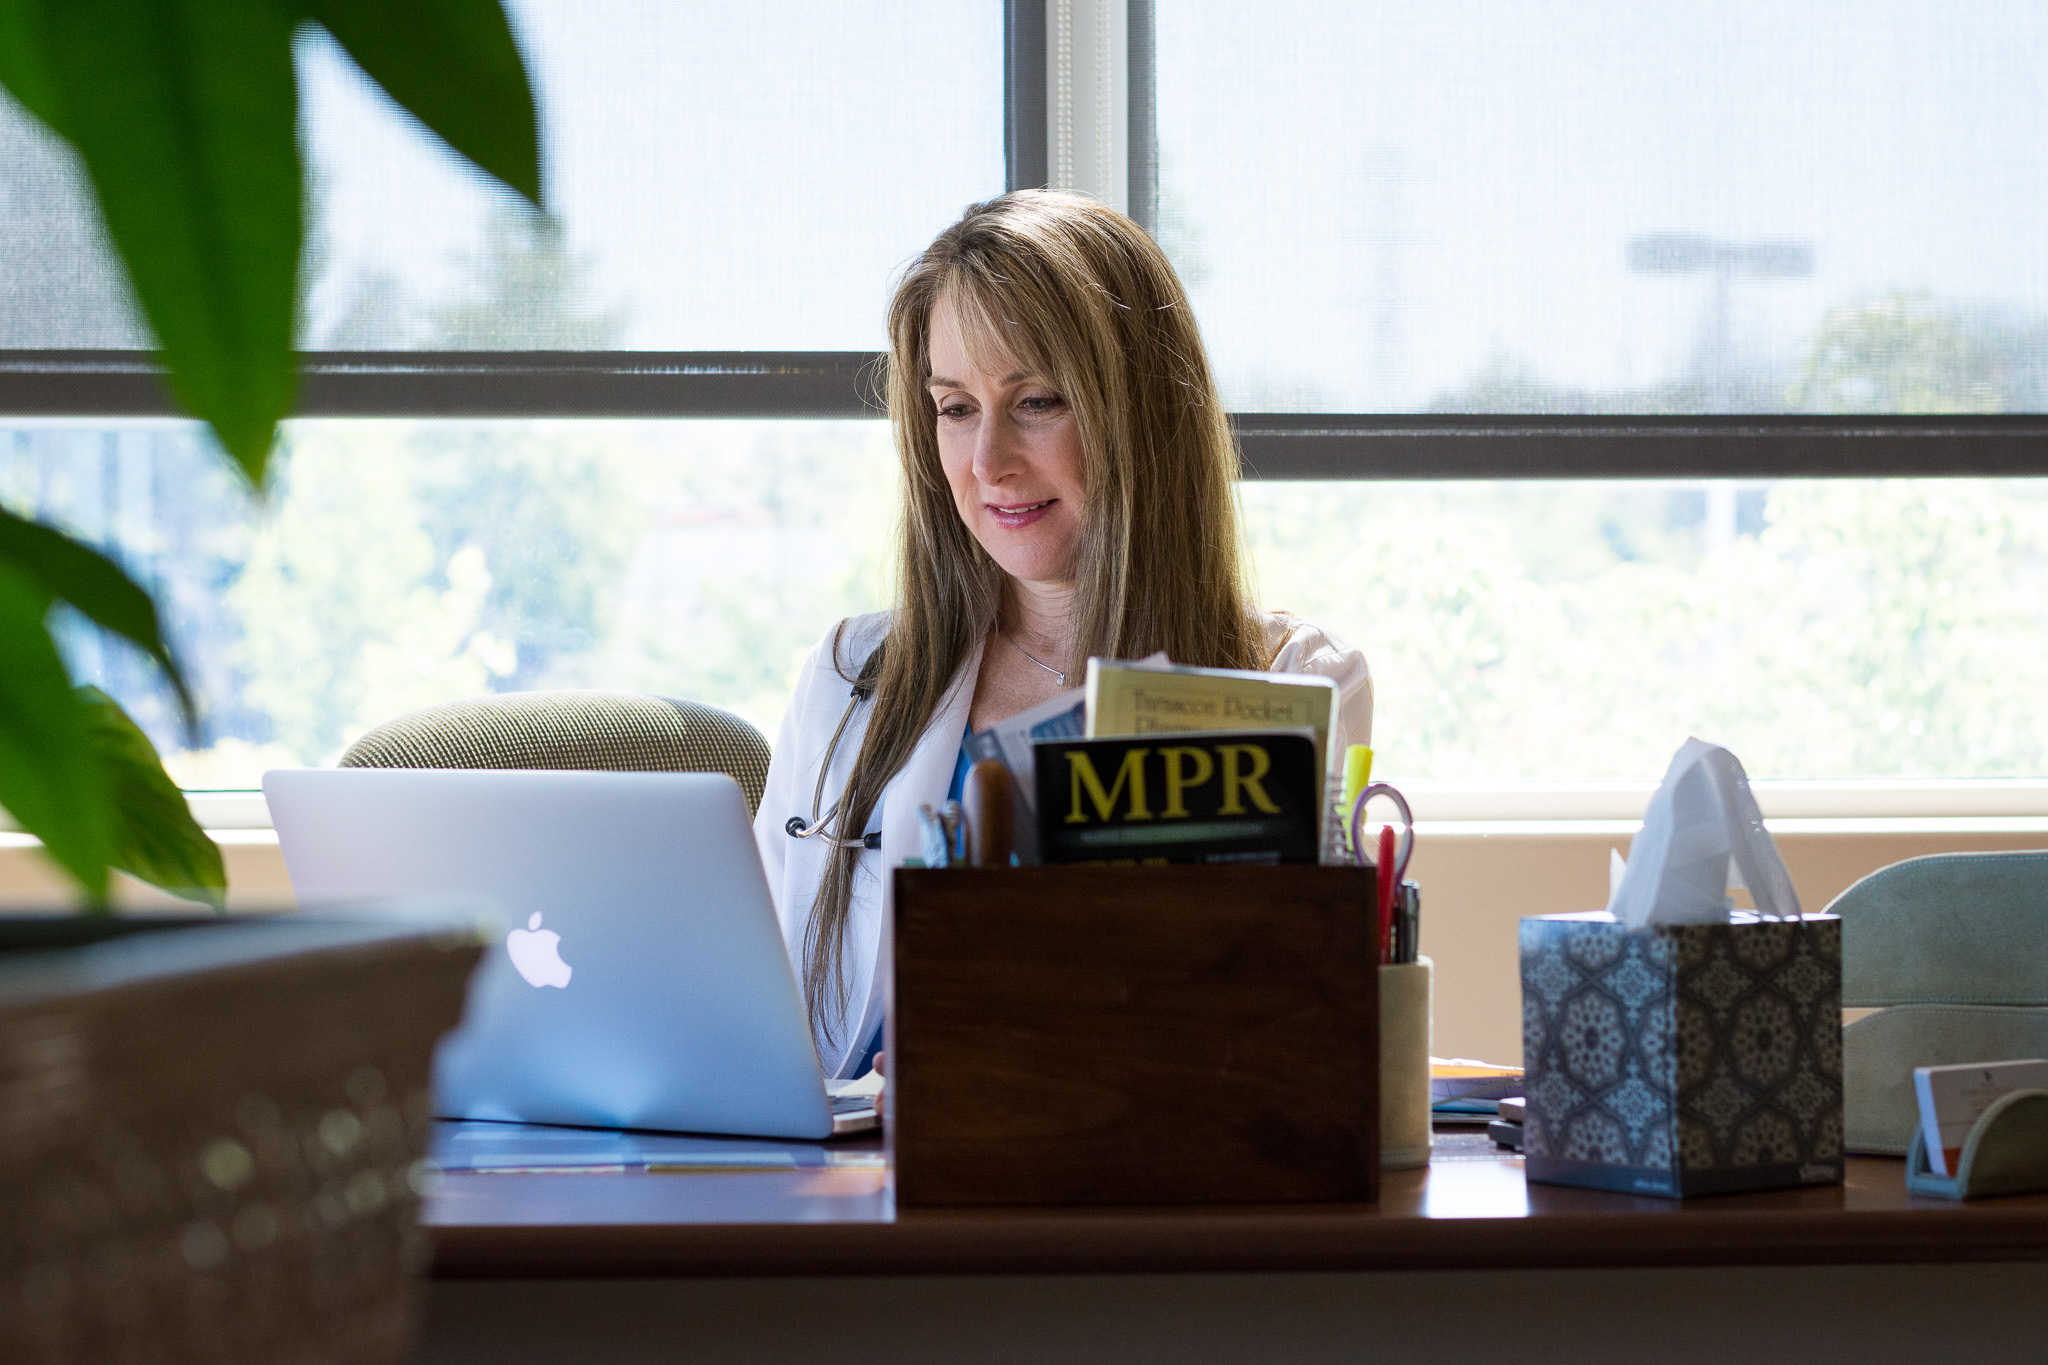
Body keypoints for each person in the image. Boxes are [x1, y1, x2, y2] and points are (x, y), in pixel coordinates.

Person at [750, 189, 1372, 1084]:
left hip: (1138, 1189)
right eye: (954, 406)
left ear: (1145, 418)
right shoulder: (853, 674)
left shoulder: (1295, 682)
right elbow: (762, 1015)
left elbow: (1283, 1037)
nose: (987, 460)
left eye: (1037, 400)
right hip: (866, 1201)